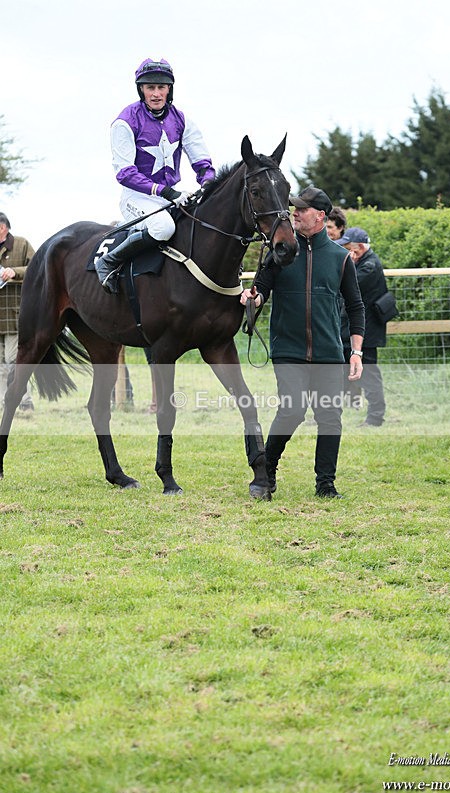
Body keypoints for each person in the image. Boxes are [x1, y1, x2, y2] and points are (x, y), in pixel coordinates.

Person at [240, 186, 365, 499]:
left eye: (301, 209)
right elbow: (260, 290)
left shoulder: (340, 258)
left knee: (330, 416)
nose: (294, 213)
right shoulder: (279, 252)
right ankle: (265, 474)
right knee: (292, 410)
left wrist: (356, 351)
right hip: (288, 349)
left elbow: (355, 307)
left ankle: (326, 485)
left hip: (329, 353)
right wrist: (251, 299)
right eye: (293, 208)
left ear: (320, 216)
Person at [95, 58, 215, 294]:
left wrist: (208, 184)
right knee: (163, 229)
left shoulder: (181, 120)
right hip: (136, 197)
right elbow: (125, 173)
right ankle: (108, 261)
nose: (157, 93)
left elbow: (202, 162)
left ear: (169, 89)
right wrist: (164, 191)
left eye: (162, 87)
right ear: (141, 89)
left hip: (171, 196)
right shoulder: (125, 121)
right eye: (151, 87)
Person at [337, 227, 388, 427]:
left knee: (369, 375)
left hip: (368, 331)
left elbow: (347, 286)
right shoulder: (364, 263)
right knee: (342, 371)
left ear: (359, 247)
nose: (347, 252)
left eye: (349, 247)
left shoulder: (370, 266)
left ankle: (375, 418)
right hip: (357, 330)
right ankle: (330, 412)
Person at [0, 213, 35, 412]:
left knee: (13, 360)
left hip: (14, 315)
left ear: (2, 227)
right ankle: (5, 403)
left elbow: (36, 267)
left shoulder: (21, 244)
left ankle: (25, 401)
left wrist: (15, 272)